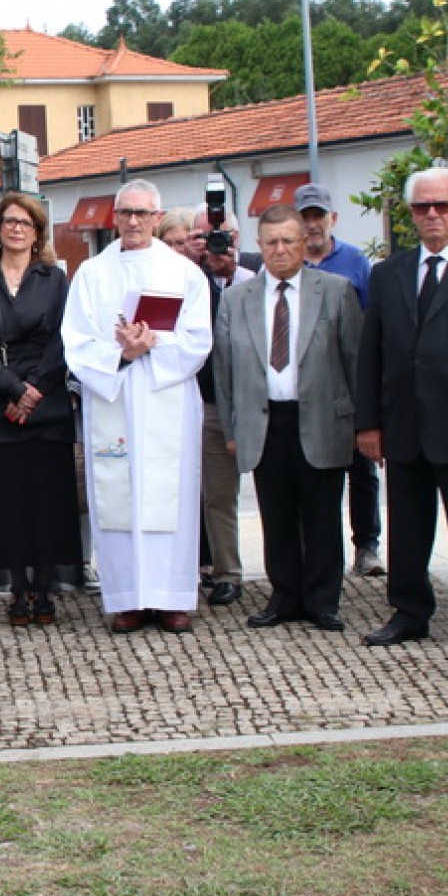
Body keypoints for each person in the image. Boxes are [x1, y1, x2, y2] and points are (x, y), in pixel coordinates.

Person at [355, 165, 448, 659]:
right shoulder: (388, 274)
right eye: (423, 206)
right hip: (404, 424)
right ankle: (409, 612)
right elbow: (371, 353)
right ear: (411, 214)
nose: (433, 214)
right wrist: (369, 422)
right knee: (406, 525)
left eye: (442, 205)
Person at [61, 179, 211, 634]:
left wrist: (152, 342)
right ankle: (127, 599)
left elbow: (198, 338)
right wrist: (121, 354)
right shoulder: (92, 273)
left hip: (167, 397)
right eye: (125, 212)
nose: (133, 221)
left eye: (142, 214)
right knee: (118, 493)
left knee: (171, 495)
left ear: (157, 218)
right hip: (117, 397)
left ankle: (170, 599)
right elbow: (76, 340)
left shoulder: (183, 272)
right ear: (114, 216)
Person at [212, 205, 362, 631]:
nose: (280, 250)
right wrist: (232, 427)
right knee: (275, 515)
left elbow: (354, 359)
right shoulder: (237, 299)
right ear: (259, 246)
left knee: (321, 515)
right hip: (264, 421)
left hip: (320, 418)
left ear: (303, 243)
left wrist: (360, 424)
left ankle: (322, 600)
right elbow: (224, 372)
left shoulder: (336, 290)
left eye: (288, 241)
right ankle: (284, 596)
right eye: (271, 242)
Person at [0, 193, 81, 626]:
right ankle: (18, 589)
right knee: (7, 500)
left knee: (46, 499)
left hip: (46, 402)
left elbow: (64, 339)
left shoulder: (54, 280)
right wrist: (11, 389)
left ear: (37, 233)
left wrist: (32, 391)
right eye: (9, 221)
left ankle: (45, 588)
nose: (16, 228)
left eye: (25, 223)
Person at [295, 182, 384, 578]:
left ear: (333, 219)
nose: (312, 224)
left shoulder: (354, 262)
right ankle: (316, 551)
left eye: (318, 216)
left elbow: (369, 323)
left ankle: (367, 545)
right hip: (304, 385)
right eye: (305, 217)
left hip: (348, 379)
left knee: (361, 468)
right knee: (314, 473)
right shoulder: (287, 260)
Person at [191, 207, 250, 606]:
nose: (214, 244)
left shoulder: (256, 276)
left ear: (238, 239)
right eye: (205, 237)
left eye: (222, 235)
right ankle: (227, 572)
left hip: (259, 399)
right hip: (211, 402)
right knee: (219, 494)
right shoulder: (190, 282)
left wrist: (231, 273)